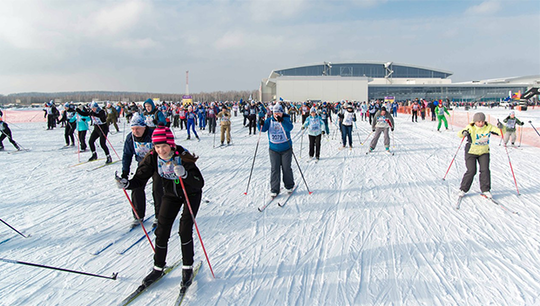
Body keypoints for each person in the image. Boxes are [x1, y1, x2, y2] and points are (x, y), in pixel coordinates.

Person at [115, 124, 204, 288]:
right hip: (171, 195)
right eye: (157, 146)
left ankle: (187, 267)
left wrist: (185, 174)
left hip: (190, 194)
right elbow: (140, 179)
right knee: (161, 229)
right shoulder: (153, 157)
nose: (161, 150)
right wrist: (127, 183)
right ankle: (158, 267)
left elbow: (199, 182)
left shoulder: (181, 156)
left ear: (171, 144)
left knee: (184, 229)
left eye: (164, 146)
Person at [121, 113, 164, 228]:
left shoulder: (153, 135)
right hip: (143, 164)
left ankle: (159, 216)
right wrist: (124, 174)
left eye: (138, 129)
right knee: (136, 186)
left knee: (158, 188)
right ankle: (138, 215)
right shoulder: (130, 138)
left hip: (157, 164)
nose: (135, 131)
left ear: (144, 127)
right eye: (133, 129)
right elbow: (127, 155)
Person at [457, 112, 500, 199]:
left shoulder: (488, 127)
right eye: (478, 122)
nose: (480, 124)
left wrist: (501, 127)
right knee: (471, 171)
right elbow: (460, 134)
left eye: (482, 122)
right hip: (471, 152)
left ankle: (485, 190)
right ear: (475, 121)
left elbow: (501, 132)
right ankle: (463, 189)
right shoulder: (471, 127)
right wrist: (464, 132)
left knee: (485, 170)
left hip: (484, 152)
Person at [260, 104, 294, 197]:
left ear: (282, 112)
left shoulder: (286, 119)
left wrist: (281, 121)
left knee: (286, 168)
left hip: (286, 148)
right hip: (274, 149)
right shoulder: (269, 121)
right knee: (275, 169)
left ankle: (289, 185)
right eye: (275, 112)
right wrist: (260, 124)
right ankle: (274, 189)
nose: (277, 114)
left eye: (279, 112)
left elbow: (289, 128)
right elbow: (262, 129)